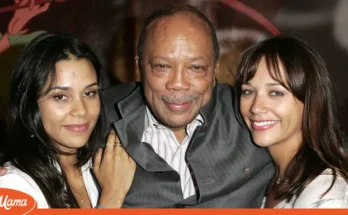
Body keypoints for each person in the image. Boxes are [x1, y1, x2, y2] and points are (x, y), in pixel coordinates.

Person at [102, 4, 274, 207]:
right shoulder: (96, 118)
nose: (178, 83)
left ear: (214, 71)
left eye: (196, 68)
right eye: (162, 66)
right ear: (140, 67)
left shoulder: (253, 117)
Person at [0, 32, 135, 208]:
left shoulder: (102, 166)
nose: (81, 110)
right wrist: (111, 198)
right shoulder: (13, 186)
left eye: (89, 93)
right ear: (30, 105)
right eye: (61, 97)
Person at [235, 36, 348, 208]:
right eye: (248, 92)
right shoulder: (267, 176)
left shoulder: (324, 193)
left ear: (310, 100)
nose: (256, 107)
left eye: (276, 93)